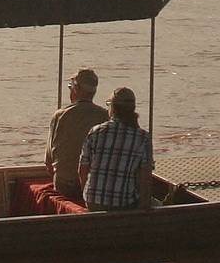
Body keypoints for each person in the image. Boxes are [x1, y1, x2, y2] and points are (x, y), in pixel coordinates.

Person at [77, 86, 155, 211]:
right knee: (155, 202)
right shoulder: (143, 137)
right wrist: (144, 207)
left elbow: (82, 169)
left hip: (92, 201)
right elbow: (145, 178)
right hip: (122, 204)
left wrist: (87, 194)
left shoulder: (95, 132)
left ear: (112, 108)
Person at [45, 68, 108, 202]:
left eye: (70, 87)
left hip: (65, 186)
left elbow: (49, 162)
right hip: (94, 185)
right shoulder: (105, 116)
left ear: (76, 89)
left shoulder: (60, 116)